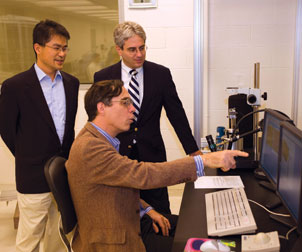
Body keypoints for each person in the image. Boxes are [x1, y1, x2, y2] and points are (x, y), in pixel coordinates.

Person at [65, 79, 248, 252]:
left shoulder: (101, 140)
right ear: (101, 107)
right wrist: (204, 161)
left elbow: (116, 184)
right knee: (204, 243)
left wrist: (148, 210)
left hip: (131, 219)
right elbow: (142, 174)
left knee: (200, 226)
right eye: (125, 103)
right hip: (115, 239)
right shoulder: (90, 147)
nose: (133, 109)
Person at [94, 21, 202, 215]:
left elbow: (176, 113)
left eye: (142, 48)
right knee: (123, 211)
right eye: (132, 49)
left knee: (161, 215)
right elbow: (98, 120)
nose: (139, 54)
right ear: (119, 49)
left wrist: (193, 150)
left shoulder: (160, 74)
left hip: (152, 156)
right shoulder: (104, 76)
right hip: (118, 157)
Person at [0, 20, 79, 252]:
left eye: (65, 48)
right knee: (29, 240)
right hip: (32, 176)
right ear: (38, 48)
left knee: (58, 235)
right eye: (56, 47)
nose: (62, 53)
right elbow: (7, 130)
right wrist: (28, 153)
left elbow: (68, 130)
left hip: (63, 174)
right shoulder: (15, 86)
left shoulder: (71, 83)